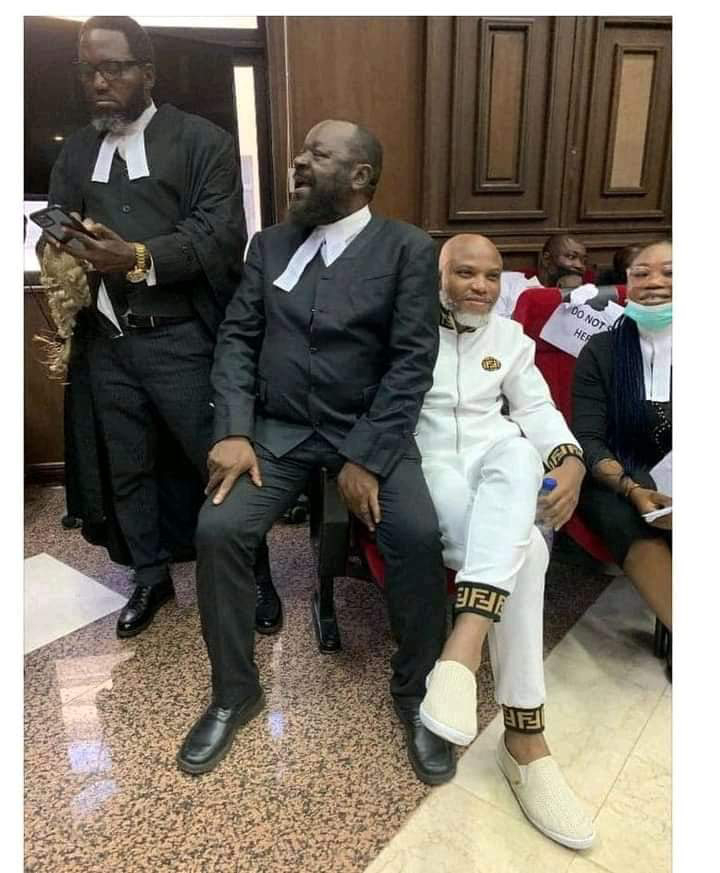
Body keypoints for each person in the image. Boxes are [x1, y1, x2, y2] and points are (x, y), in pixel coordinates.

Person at [176, 119, 455, 786]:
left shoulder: (407, 249)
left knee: (417, 534)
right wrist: (233, 430)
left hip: (368, 430)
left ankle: (418, 692)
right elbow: (237, 339)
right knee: (218, 528)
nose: (298, 162)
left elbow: (412, 362)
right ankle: (235, 693)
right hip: (278, 430)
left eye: (317, 155)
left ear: (360, 176)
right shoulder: (270, 244)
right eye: (301, 153)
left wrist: (368, 456)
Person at [43, 16, 256, 639]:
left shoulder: (202, 141)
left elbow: (220, 233)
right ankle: (150, 575)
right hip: (107, 341)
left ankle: (254, 577)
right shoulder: (77, 149)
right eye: (88, 70)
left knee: (215, 463)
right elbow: (57, 213)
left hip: (181, 337)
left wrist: (136, 256)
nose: (99, 82)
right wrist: (63, 242)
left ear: (148, 72)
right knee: (127, 465)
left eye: (114, 68)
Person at [416, 233, 595, 849]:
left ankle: (460, 653)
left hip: (496, 463)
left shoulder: (511, 339)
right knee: (533, 553)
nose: (481, 287)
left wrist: (570, 459)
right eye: (465, 273)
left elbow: (538, 411)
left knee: (520, 452)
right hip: (431, 464)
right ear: (439, 276)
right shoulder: (409, 331)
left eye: (492, 276)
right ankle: (525, 737)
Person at [572, 240, 672, 634]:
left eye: (670, 273)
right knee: (626, 521)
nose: (654, 282)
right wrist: (633, 489)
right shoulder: (602, 350)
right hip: (616, 477)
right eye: (641, 273)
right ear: (627, 285)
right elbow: (589, 439)